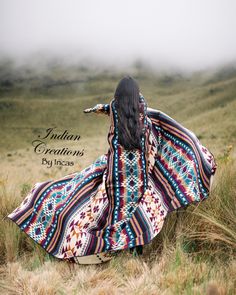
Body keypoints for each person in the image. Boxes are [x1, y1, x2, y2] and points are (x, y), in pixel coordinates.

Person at [7, 76, 217, 264]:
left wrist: (99, 109)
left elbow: (111, 107)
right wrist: (192, 143)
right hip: (140, 180)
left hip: (116, 178)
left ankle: (104, 248)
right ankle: (135, 253)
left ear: (118, 96)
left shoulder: (116, 109)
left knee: (86, 200)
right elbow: (161, 126)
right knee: (136, 213)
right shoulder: (144, 114)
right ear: (137, 95)